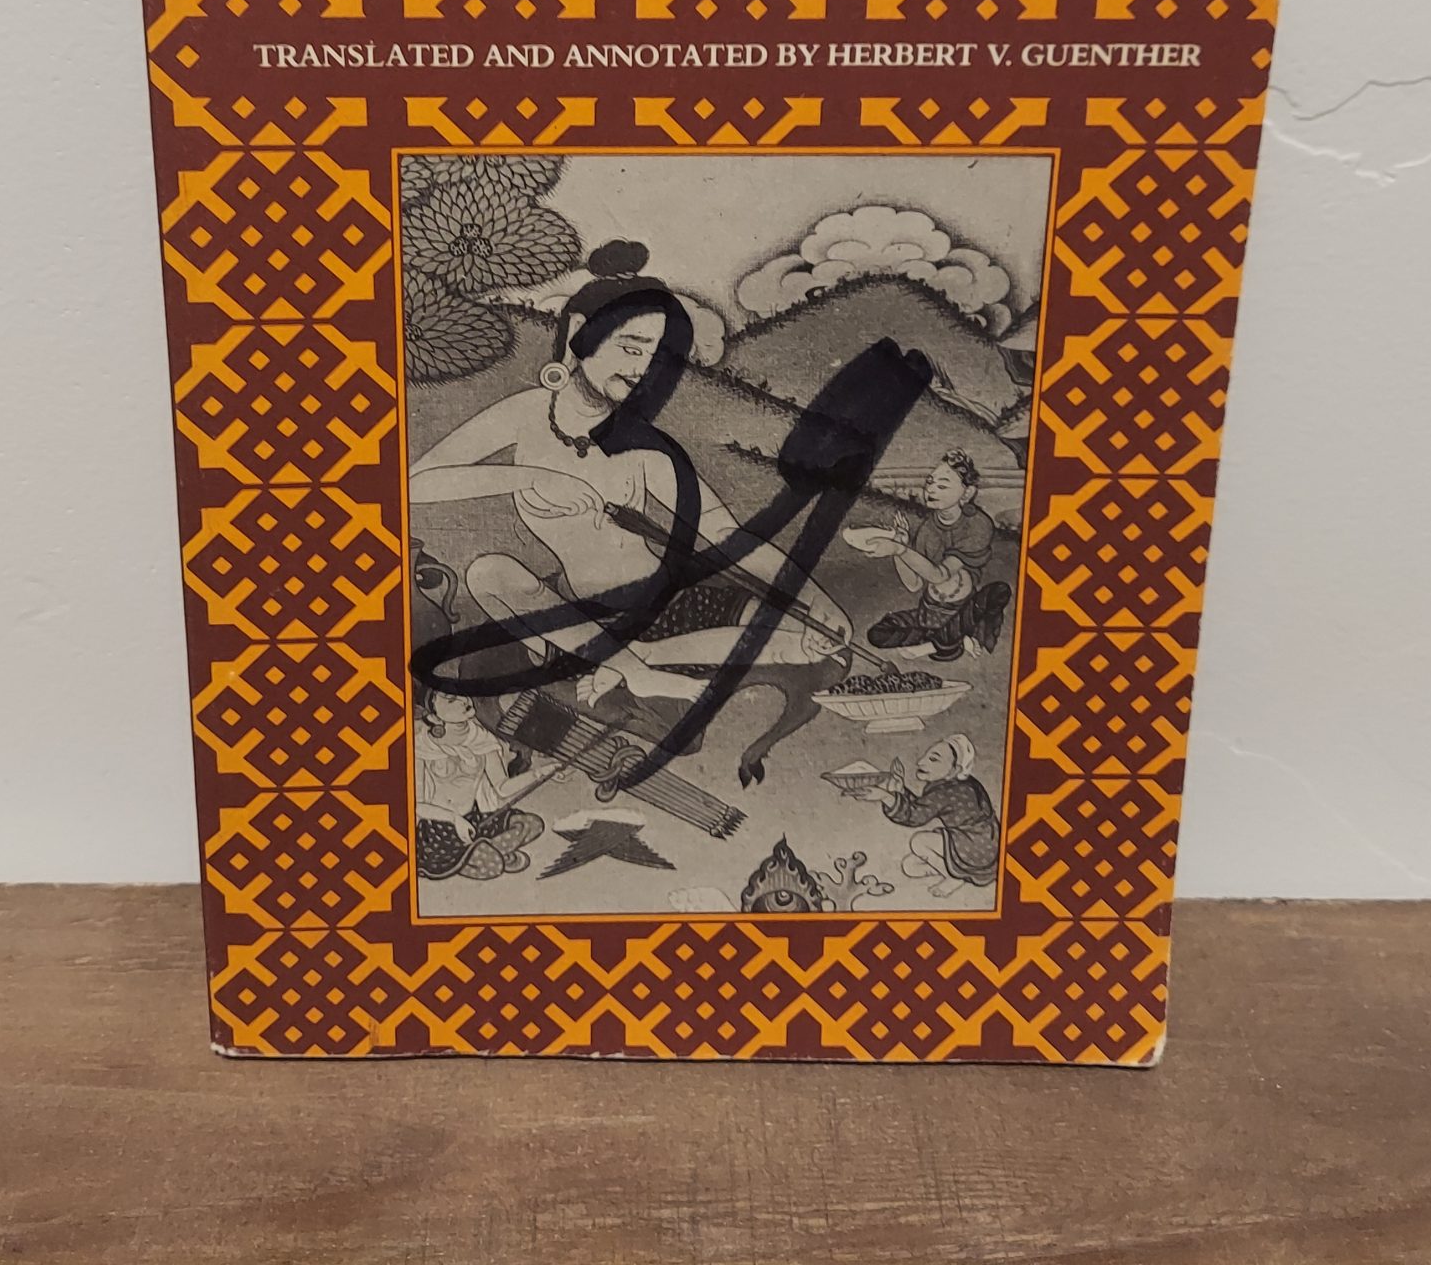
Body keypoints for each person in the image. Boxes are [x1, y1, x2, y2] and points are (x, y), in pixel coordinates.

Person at [408, 241, 854, 711]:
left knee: (808, 638)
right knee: (489, 572)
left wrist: (815, 597)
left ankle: (641, 661)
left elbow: (726, 535)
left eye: (656, 358)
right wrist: (528, 476)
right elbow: (416, 484)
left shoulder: (646, 446)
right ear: (579, 333)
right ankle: (632, 667)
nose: (642, 370)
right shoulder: (525, 414)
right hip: (586, 615)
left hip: (670, 610)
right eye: (630, 348)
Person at [852, 449, 1003, 661]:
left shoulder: (978, 524)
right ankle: (952, 639)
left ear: (967, 493)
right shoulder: (928, 530)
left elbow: (939, 575)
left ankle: (938, 642)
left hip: (964, 609)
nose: (930, 489)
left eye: (942, 485)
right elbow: (914, 584)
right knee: (877, 635)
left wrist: (899, 549)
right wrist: (901, 547)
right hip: (929, 612)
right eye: (930, 482)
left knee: (998, 591)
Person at [413, 690, 543, 880]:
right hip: (441, 827)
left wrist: (540, 773)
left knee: (532, 824)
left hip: (477, 818)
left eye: (460, 694)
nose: (463, 700)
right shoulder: (422, 746)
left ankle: (485, 852)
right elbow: (415, 804)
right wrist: (454, 819)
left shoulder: (481, 739)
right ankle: (483, 856)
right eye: (451, 700)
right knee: (492, 867)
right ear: (434, 717)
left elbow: (502, 787)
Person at [856, 735, 999, 896]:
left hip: (975, 845)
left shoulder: (948, 791)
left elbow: (915, 816)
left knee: (919, 842)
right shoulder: (959, 783)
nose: (920, 762)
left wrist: (886, 797)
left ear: (955, 769)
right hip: (986, 846)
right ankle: (957, 873)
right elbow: (923, 806)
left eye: (933, 759)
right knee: (910, 866)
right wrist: (901, 791)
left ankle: (954, 878)